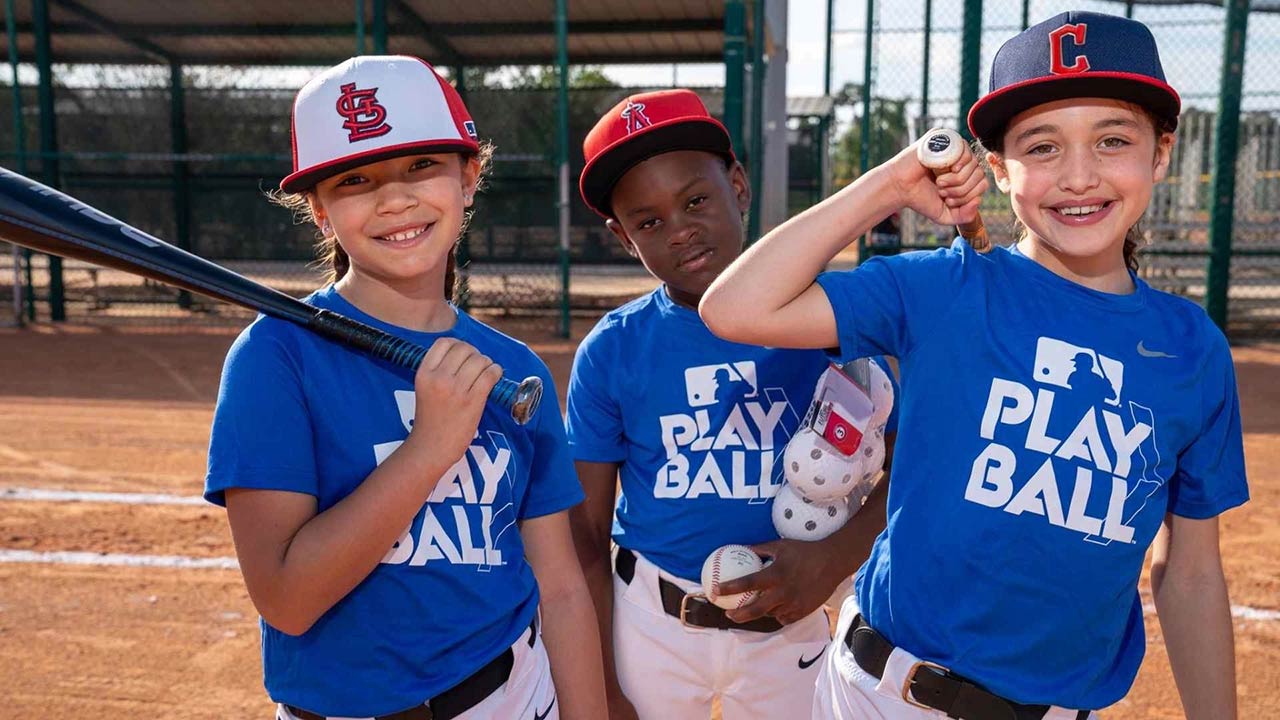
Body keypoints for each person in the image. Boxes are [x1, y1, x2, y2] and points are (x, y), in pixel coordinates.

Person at [700, 12, 1248, 719]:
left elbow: (1194, 571)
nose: (1079, 176)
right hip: (880, 695)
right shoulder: (946, 287)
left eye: (1113, 140)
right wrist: (894, 184)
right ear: (997, 167)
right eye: (1042, 146)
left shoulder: (1192, 349)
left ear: (1161, 153)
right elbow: (736, 307)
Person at [204, 55, 607, 720]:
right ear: (321, 211)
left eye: (421, 165)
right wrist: (429, 449)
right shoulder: (275, 358)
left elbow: (561, 588)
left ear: (469, 176)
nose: (395, 200)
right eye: (356, 179)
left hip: (508, 699)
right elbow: (287, 599)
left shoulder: (515, 370)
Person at [566, 89, 899, 720]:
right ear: (620, 236)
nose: (681, 229)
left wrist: (835, 557)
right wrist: (603, 686)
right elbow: (584, 536)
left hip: (790, 622)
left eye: (695, 200)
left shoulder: (827, 320)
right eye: (648, 221)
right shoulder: (613, 350)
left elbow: (916, 452)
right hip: (651, 623)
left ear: (738, 185)